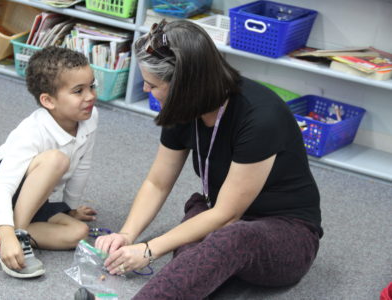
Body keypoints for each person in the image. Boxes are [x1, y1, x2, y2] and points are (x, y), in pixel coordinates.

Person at [94, 19, 323, 299]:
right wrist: (128, 236)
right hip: (218, 212)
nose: (145, 90)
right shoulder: (184, 105)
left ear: (182, 86)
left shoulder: (261, 117)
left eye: (152, 85)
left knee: (229, 240)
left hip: (286, 230)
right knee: (194, 260)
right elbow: (157, 182)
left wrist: (149, 249)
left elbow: (228, 215)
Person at [0, 46, 99, 279]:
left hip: (32, 194)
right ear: (48, 101)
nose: (90, 96)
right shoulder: (33, 131)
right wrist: (10, 233)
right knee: (56, 159)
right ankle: (9, 237)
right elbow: (2, 186)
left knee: (79, 233)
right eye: (78, 91)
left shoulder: (90, 116)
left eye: (91, 85)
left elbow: (83, 164)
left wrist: (70, 208)